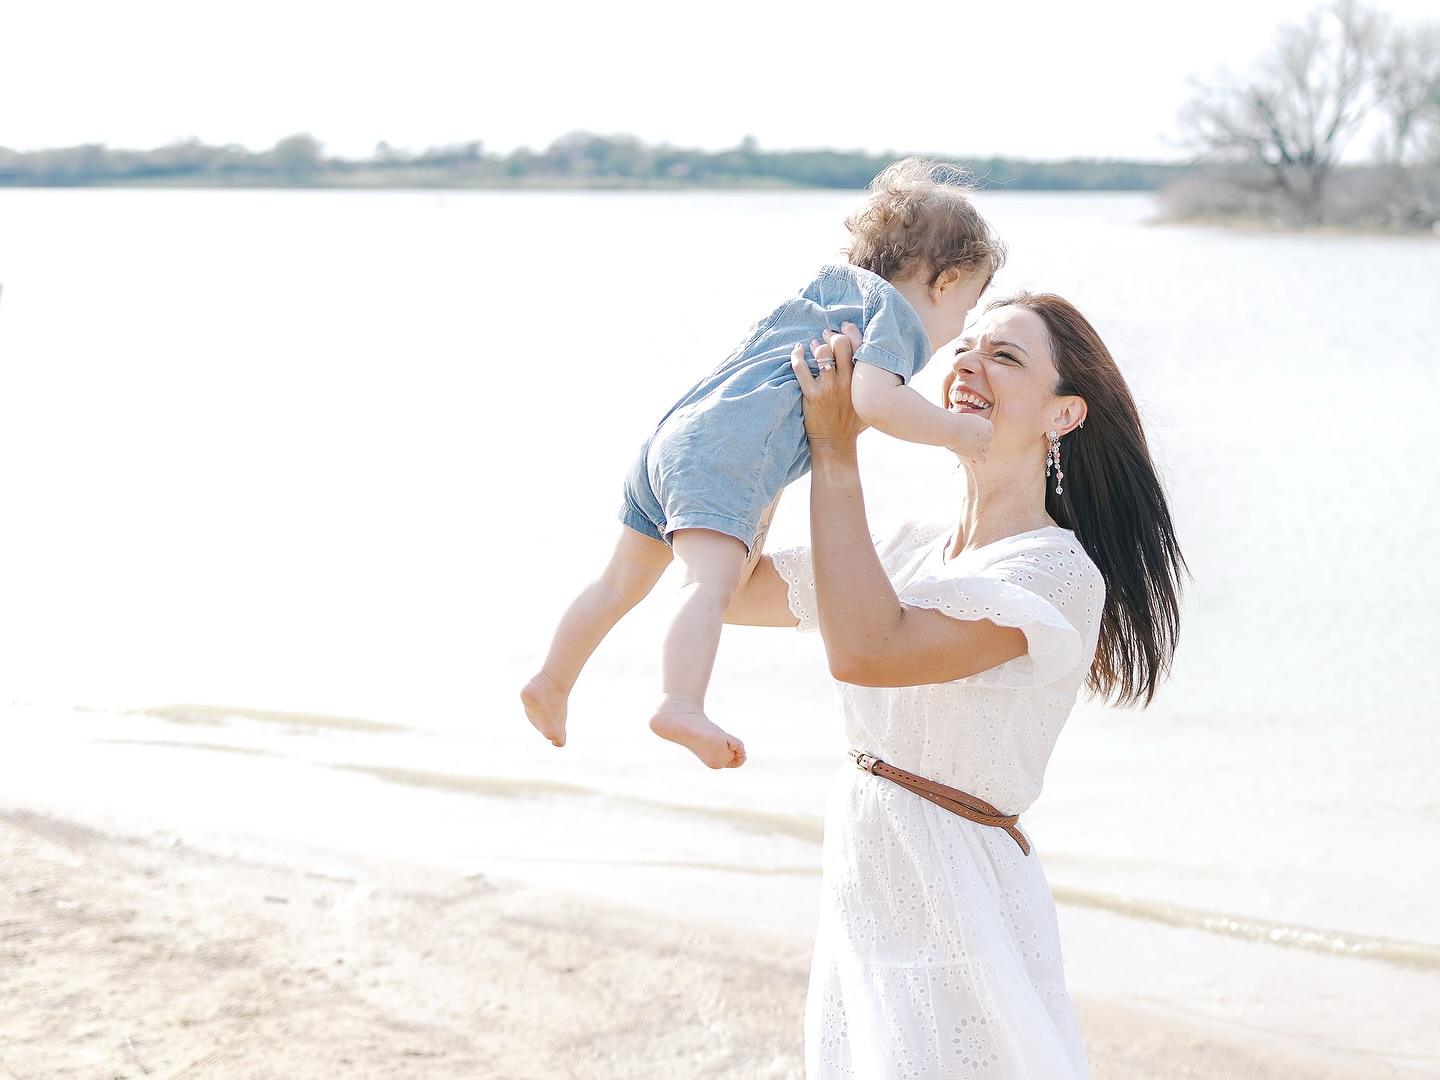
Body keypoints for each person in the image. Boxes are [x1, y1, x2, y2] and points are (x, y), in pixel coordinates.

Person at [725, 294, 1185, 1078]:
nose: (966, 363)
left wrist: (839, 451)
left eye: (1004, 356)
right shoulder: (912, 548)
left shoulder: (1054, 573)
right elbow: (733, 592)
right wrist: (784, 436)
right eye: (963, 348)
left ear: (1064, 414)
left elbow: (870, 651)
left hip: (959, 888)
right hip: (869, 870)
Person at [522, 158, 1007, 768]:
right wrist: (958, 433)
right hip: (721, 457)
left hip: (673, 437)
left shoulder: (831, 291)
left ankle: (552, 680)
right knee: (708, 581)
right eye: (963, 311)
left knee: (621, 580)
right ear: (944, 282)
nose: (953, 334)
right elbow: (875, 400)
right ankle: (680, 703)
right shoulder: (897, 319)